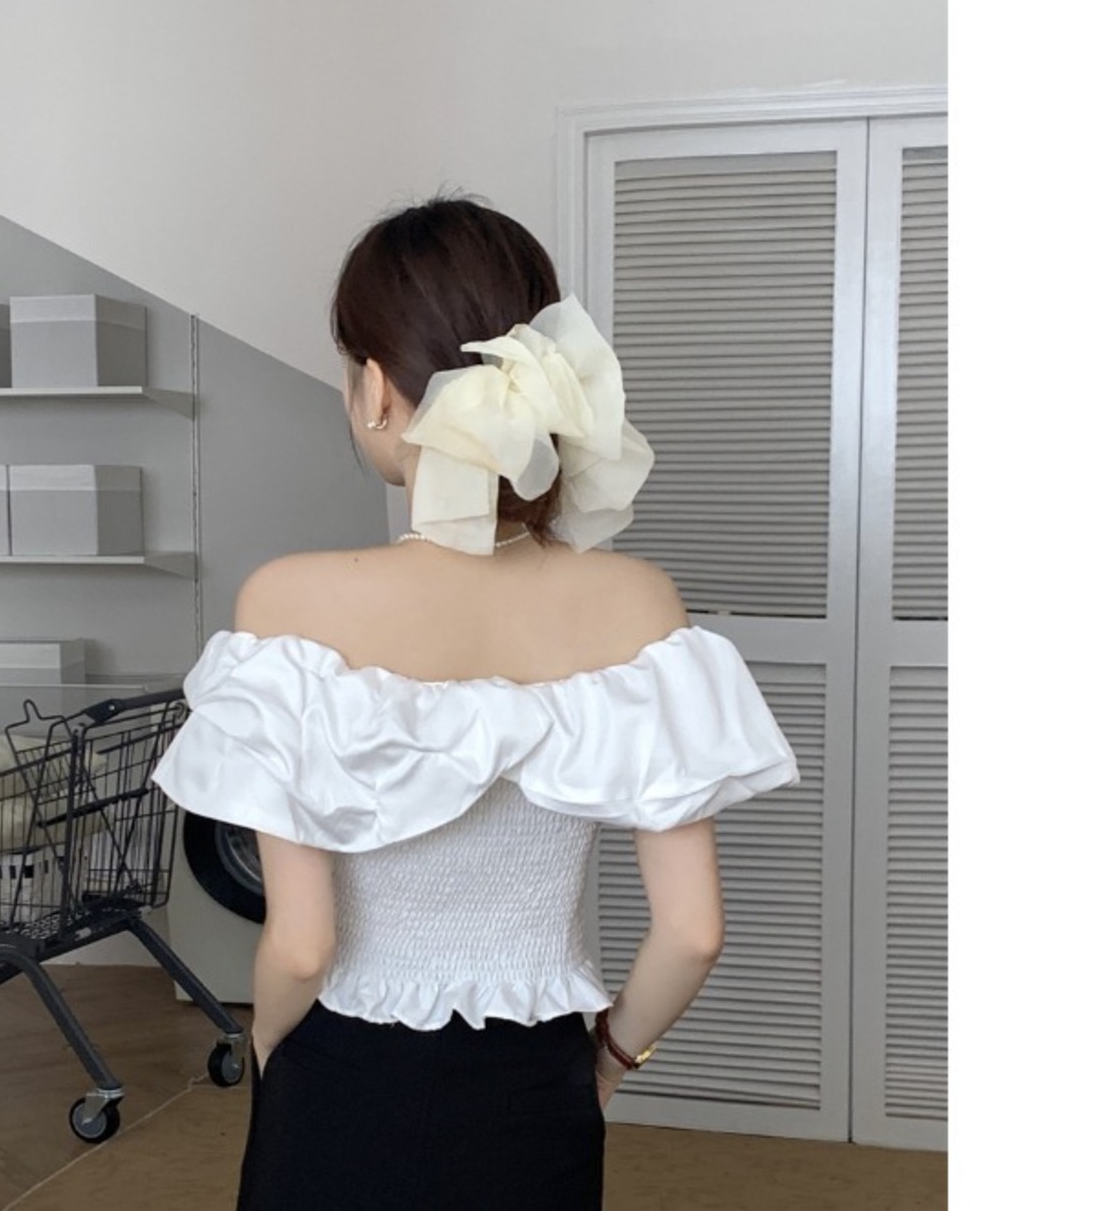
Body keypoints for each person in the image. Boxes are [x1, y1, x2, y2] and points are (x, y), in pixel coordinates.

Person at [152, 195, 800, 1209]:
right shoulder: (638, 605)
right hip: (533, 1087)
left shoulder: (288, 602)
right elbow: (692, 932)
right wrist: (607, 1062)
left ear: (375, 387)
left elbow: (302, 945)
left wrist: (272, 1048)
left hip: (339, 1075)